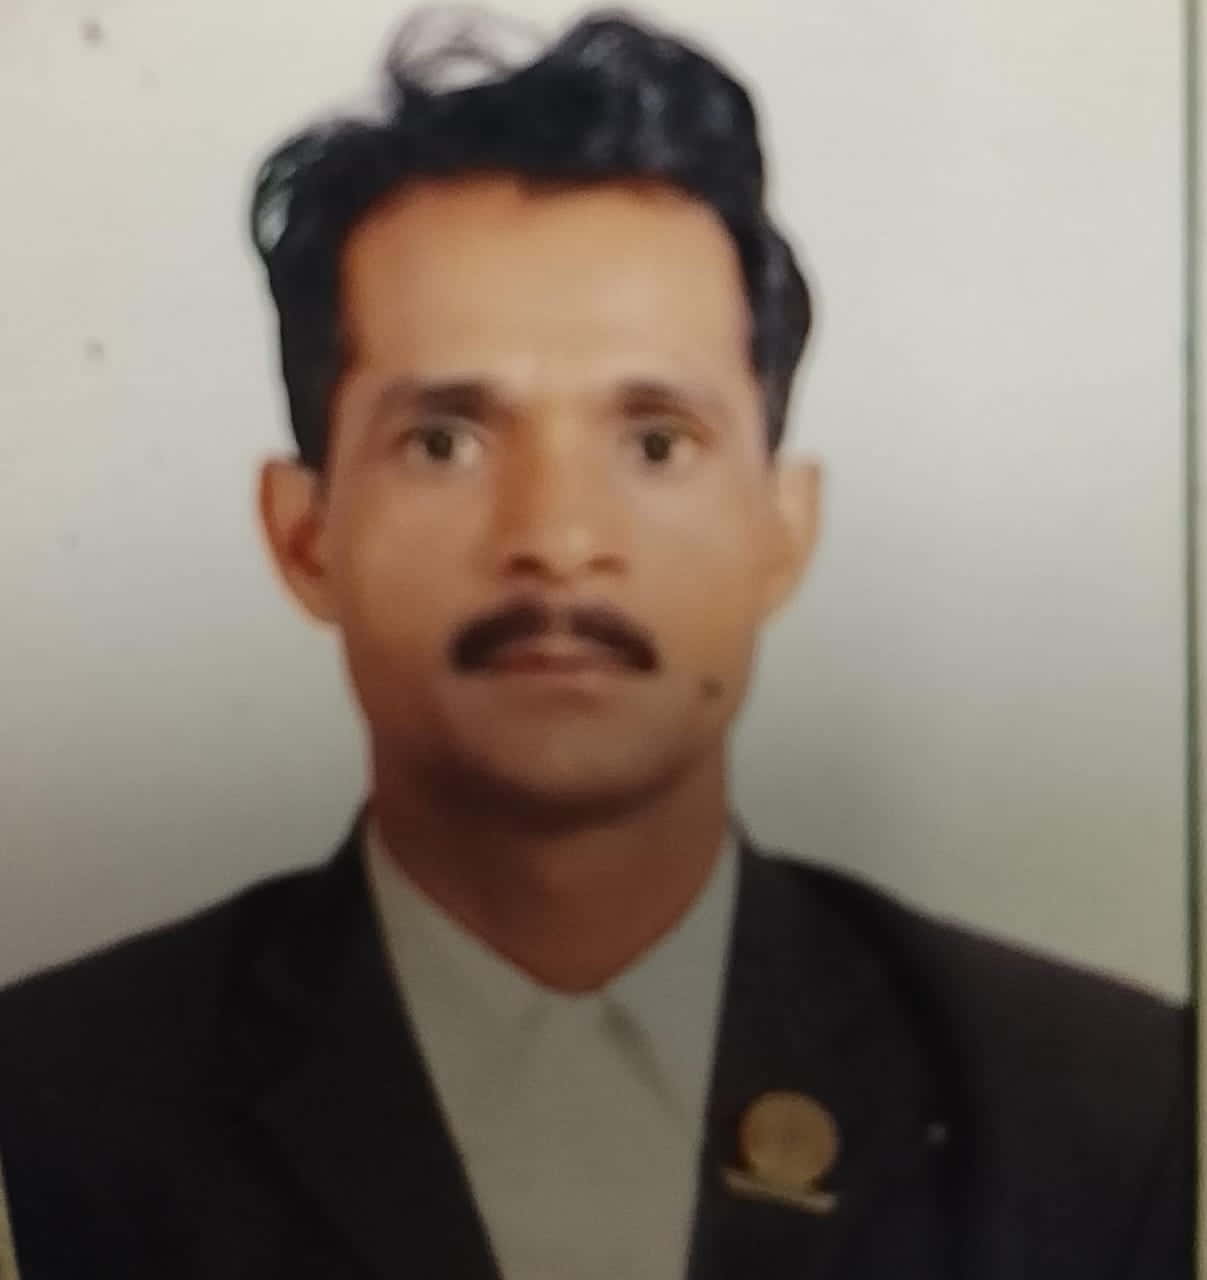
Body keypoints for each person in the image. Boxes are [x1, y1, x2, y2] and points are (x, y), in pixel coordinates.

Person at [0, 8, 1191, 1278]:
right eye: (444, 440)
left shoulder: (1117, 1112)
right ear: (304, 535)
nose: (558, 540)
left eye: (657, 441)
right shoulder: (48, 1111)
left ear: (781, 529)